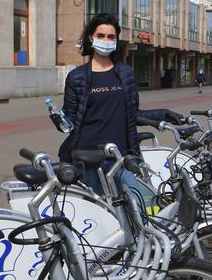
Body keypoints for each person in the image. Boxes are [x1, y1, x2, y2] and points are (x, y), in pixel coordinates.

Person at [58, 13, 180, 193]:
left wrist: (163, 113)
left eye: (111, 37)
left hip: (121, 156)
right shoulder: (77, 77)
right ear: (91, 38)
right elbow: (70, 119)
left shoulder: (125, 73)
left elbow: (132, 113)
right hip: (88, 158)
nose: (106, 41)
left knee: (136, 205)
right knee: (99, 213)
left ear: (116, 40)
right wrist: (60, 120)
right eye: (101, 36)